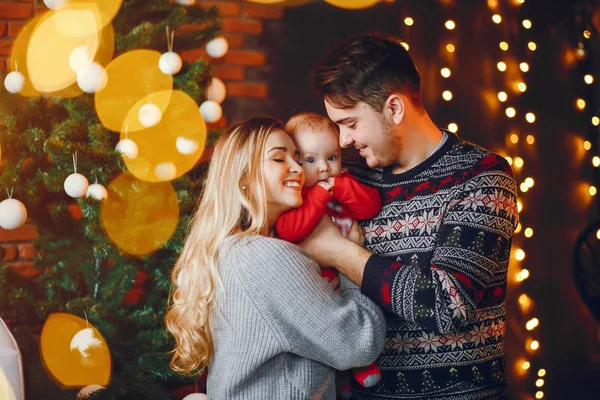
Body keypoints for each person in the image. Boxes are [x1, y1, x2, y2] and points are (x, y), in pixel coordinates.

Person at [299, 35, 519, 399]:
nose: (343, 140)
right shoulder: (348, 179)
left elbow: (448, 305)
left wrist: (339, 252)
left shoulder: (481, 176)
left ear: (395, 109)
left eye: (350, 123)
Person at [164, 116, 386, 399]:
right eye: (279, 159)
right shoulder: (266, 257)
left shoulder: (235, 250)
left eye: (297, 157)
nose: (297, 168)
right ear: (244, 178)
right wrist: (345, 257)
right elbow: (360, 343)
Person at [275, 111, 383, 390]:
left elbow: (371, 206)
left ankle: (360, 367)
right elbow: (290, 230)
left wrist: (342, 187)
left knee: (356, 310)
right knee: (333, 322)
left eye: (332, 158)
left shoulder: (343, 184)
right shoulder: (298, 198)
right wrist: (320, 196)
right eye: (311, 160)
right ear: (296, 162)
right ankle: (351, 370)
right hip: (318, 273)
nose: (324, 168)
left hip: (349, 268)